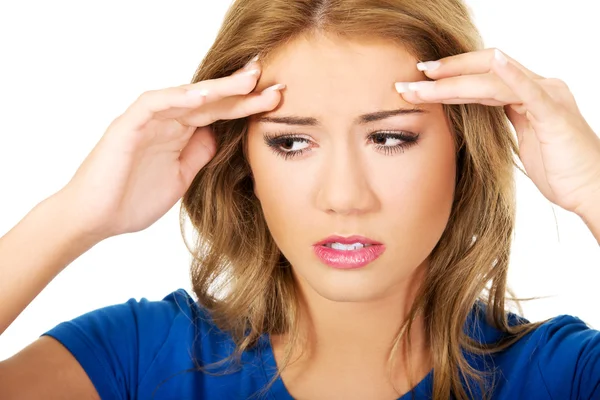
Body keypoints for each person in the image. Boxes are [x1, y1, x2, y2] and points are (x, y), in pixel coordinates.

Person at [1, 0, 599, 398]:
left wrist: (594, 185)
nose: (343, 197)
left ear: (463, 149)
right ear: (244, 162)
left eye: (389, 138)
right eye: (291, 142)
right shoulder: (138, 358)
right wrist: (74, 215)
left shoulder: (560, 376)